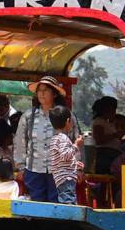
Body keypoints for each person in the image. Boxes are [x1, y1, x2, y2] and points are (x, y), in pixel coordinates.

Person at [14, 75, 78, 203]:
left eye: (46, 90)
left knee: (57, 206)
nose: (41, 93)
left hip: (60, 172)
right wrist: (20, 167)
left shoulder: (67, 115)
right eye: (39, 90)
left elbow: (76, 140)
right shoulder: (28, 117)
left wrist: (80, 168)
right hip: (34, 171)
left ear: (54, 94)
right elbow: (20, 142)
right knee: (36, 207)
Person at [48, 105, 83, 205]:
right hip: (66, 178)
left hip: (60, 177)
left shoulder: (55, 139)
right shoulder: (63, 138)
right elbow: (65, 155)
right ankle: (69, 220)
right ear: (68, 121)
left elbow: (62, 159)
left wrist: (76, 165)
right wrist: (76, 145)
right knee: (69, 203)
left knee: (65, 200)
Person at [92, 96, 123, 175]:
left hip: (112, 155)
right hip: (105, 156)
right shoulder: (99, 122)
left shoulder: (107, 123)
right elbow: (99, 140)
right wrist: (115, 135)